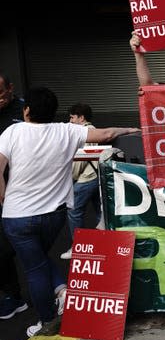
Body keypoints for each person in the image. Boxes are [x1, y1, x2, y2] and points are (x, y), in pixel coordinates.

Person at [0, 87, 139, 337]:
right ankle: (62, 291)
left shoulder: (13, 131)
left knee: (34, 268)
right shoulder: (67, 130)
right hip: (54, 215)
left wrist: (2, 195)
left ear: (27, 110)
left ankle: (46, 321)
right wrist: (128, 130)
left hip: (17, 216)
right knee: (40, 259)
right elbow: (106, 134)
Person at [0, 72, 28, 320]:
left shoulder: (24, 111)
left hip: (23, 187)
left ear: (10, 88)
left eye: (0, 92)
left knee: (29, 242)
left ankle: (50, 291)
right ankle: (11, 295)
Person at [59, 103, 101, 260]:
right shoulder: (94, 130)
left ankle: (79, 247)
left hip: (86, 178)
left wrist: (71, 178)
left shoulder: (84, 132)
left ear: (81, 118)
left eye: (72, 117)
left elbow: (80, 161)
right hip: (97, 176)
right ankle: (105, 244)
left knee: (73, 210)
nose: (69, 121)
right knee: (100, 212)